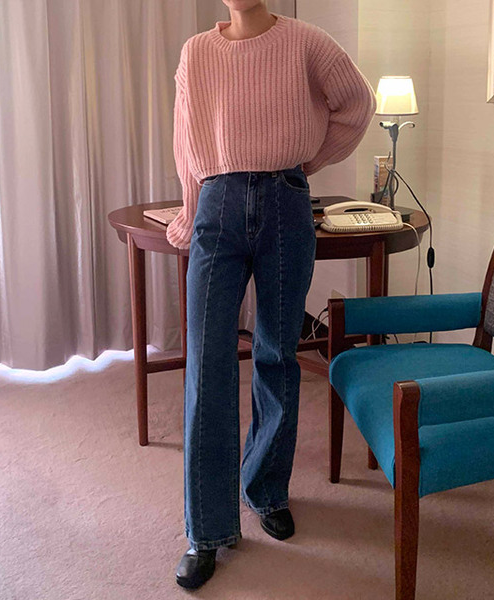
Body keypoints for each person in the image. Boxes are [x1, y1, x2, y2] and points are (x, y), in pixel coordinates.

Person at [168, 0, 376, 589]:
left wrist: (307, 161)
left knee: (277, 351)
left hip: (287, 204)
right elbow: (188, 141)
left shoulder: (307, 42)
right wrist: (190, 210)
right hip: (218, 205)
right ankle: (207, 528)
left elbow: (356, 106)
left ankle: (267, 489)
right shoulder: (197, 52)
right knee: (206, 363)